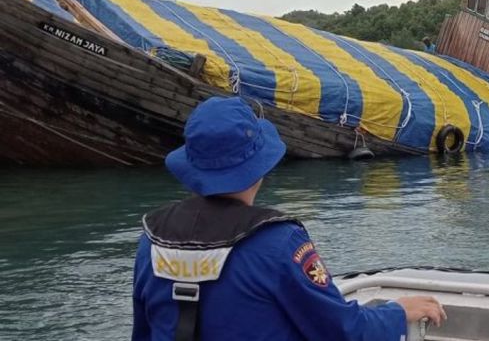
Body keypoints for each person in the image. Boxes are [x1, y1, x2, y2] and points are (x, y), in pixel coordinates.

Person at [132, 97, 446, 341]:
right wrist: (397, 313)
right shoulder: (277, 242)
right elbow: (343, 332)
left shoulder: (152, 239)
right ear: (260, 168)